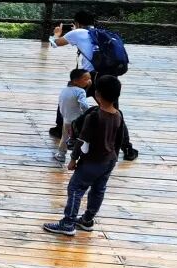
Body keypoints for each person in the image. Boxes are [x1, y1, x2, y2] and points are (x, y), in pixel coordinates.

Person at [44, 75, 133, 235]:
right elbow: (119, 139)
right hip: (109, 160)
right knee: (98, 189)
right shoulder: (118, 115)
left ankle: (68, 223)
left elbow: (82, 140)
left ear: (97, 94)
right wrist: (113, 157)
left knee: (75, 188)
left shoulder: (94, 116)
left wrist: (73, 159)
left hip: (92, 161)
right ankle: (87, 219)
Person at [51, 11, 138, 159]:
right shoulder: (100, 34)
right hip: (109, 77)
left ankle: (61, 129)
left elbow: (55, 44)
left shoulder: (77, 33)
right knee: (114, 111)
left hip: (89, 78)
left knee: (67, 96)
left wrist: (57, 33)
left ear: (77, 23)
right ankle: (127, 148)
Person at [54, 67, 93, 166]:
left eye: (90, 78)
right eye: (86, 79)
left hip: (66, 119)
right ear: (75, 81)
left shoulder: (64, 90)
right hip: (78, 121)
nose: (89, 81)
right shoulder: (81, 91)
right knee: (83, 139)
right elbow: (84, 105)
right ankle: (82, 156)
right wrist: (88, 113)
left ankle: (61, 155)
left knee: (64, 137)